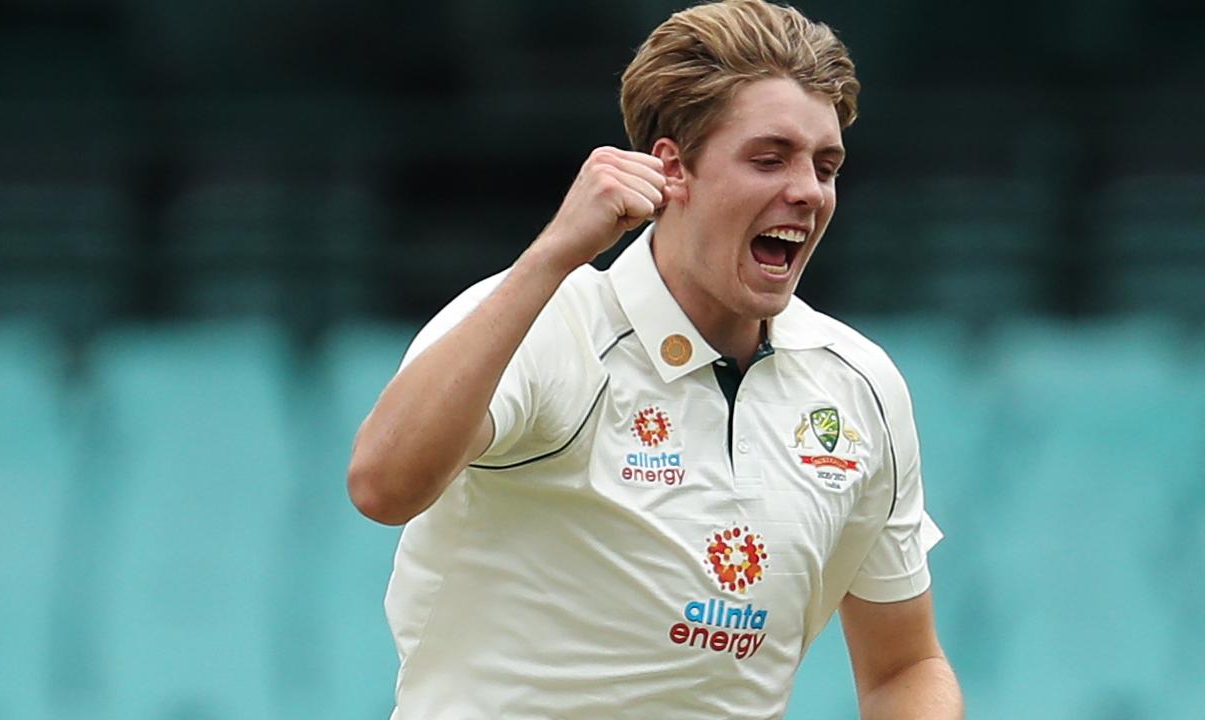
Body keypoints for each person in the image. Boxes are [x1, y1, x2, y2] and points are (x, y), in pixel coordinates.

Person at [347, 1, 964, 717]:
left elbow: (903, 666)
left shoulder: (858, 385)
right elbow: (381, 486)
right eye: (770, 158)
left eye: (826, 165)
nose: (807, 190)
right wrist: (554, 252)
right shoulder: (544, 320)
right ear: (672, 168)